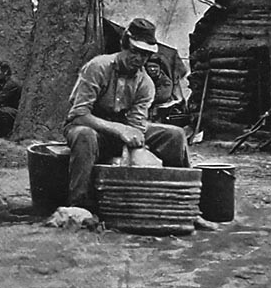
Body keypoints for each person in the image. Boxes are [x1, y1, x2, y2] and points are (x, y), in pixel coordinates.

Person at [62, 18, 190, 211]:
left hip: (123, 131)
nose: (139, 59)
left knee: (175, 135)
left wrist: (136, 146)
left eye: (145, 55)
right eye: (135, 51)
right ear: (124, 45)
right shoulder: (98, 67)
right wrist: (119, 129)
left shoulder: (145, 84)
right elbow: (79, 114)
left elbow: (136, 124)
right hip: (90, 127)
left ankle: (184, 200)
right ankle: (79, 205)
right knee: (83, 135)